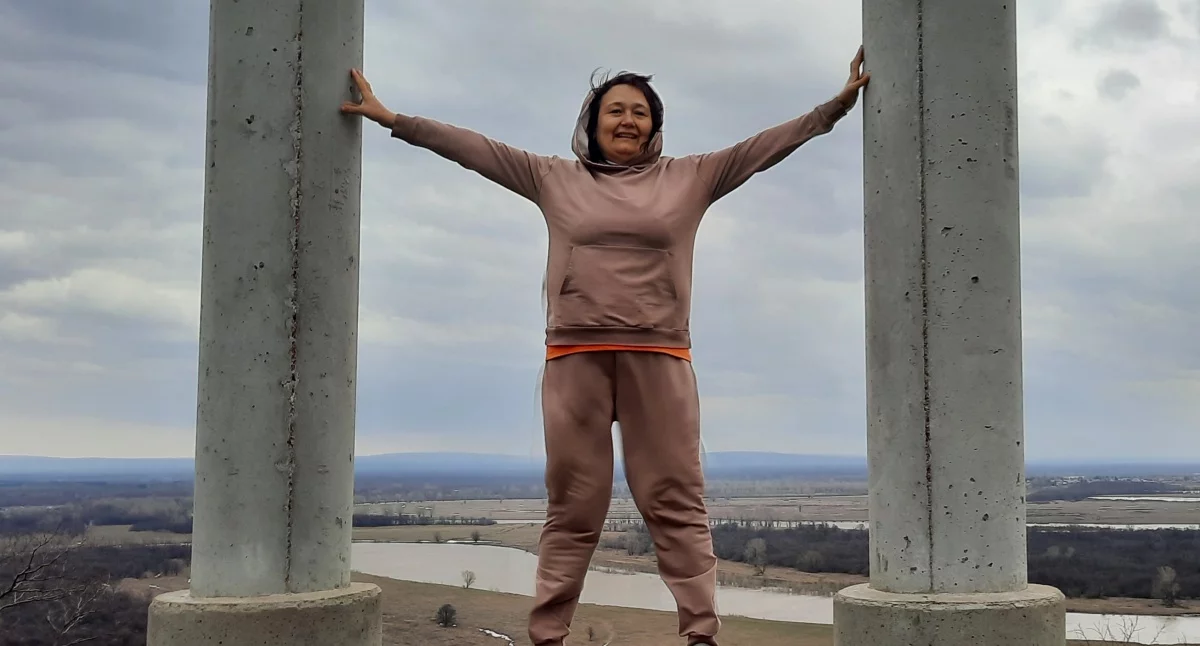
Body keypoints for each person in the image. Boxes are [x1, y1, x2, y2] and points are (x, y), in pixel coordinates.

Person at [342, 47, 870, 646]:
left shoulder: (692, 177)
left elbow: (763, 148)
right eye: (614, 110)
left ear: (654, 125)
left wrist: (834, 107)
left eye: (639, 112)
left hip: (661, 358)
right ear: (592, 123)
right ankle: (548, 636)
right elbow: (475, 149)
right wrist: (394, 119)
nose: (627, 120)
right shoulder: (553, 177)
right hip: (575, 358)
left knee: (675, 498)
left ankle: (701, 636)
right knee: (574, 504)